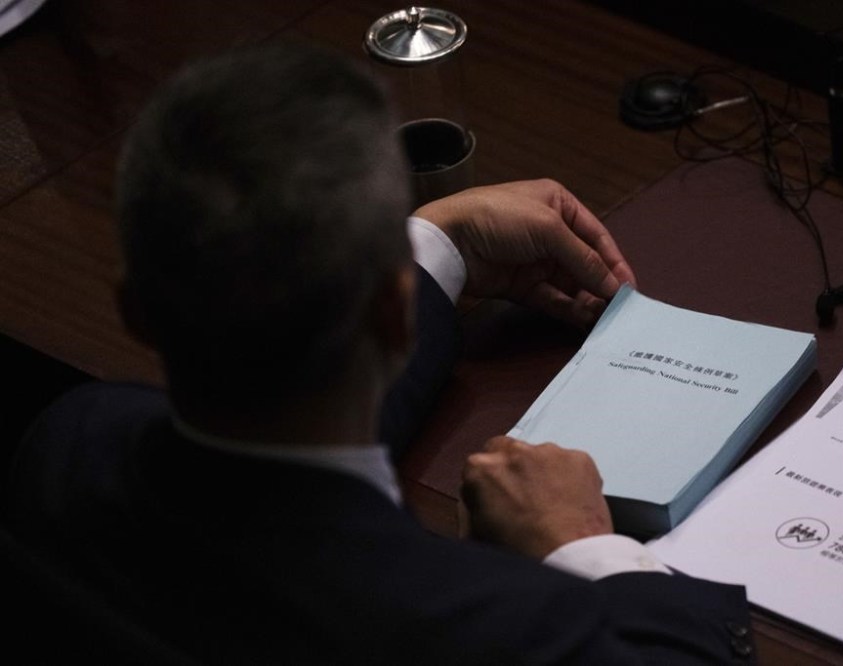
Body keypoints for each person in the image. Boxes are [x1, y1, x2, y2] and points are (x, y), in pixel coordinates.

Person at [6, 42, 755, 664]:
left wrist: (441, 240)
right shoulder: (483, 625)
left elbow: (277, 452)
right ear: (395, 319)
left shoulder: (68, 444)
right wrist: (581, 545)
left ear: (134, 310)